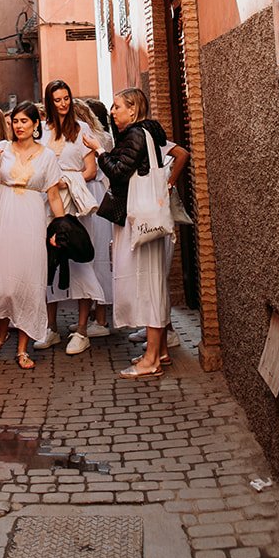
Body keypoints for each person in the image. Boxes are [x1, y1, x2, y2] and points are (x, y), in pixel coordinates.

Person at [100, 88, 189, 378]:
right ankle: (159, 351)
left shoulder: (136, 135)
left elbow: (118, 171)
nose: (112, 112)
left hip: (140, 221)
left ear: (133, 109)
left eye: (117, 107)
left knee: (148, 286)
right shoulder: (149, 133)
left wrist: (99, 152)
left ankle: (151, 360)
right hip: (148, 219)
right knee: (153, 284)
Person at [0, 102, 65, 369]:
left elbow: (53, 195)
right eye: (15, 121)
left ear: (35, 124)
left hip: (32, 218)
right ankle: (0, 334)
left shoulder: (47, 156)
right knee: (4, 284)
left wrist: (61, 227)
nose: (18, 126)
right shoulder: (2, 149)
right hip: (6, 218)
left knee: (29, 284)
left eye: (24, 121)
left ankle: (22, 348)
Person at [36, 79, 105, 355]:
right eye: (57, 100)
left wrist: (68, 181)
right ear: (49, 103)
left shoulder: (82, 129)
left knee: (80, 261)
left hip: (76, 203)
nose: (63, 104)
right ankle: (51, 327)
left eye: (66, 98)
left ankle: (82, 330)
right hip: (47, 204)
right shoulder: (42, 132)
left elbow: (91, 170)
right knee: (49, 260)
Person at [74, 96, 115, 339]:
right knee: (94, 255)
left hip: (92, 194)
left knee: (96, 256)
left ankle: (100, 319)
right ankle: (94, 314)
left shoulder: (90, 139)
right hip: (97, 193)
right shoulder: (105, 137)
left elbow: (90, 171)